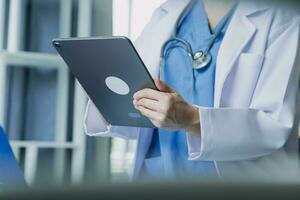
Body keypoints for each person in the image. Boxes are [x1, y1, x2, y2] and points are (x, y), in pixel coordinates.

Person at [85, 0, 300, 180]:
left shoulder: (283, 18)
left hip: (235, 181)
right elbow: (135, 109)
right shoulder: (167, 13)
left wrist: (192, 118)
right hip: (156, 178)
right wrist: (112, 96)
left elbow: (274, 125)